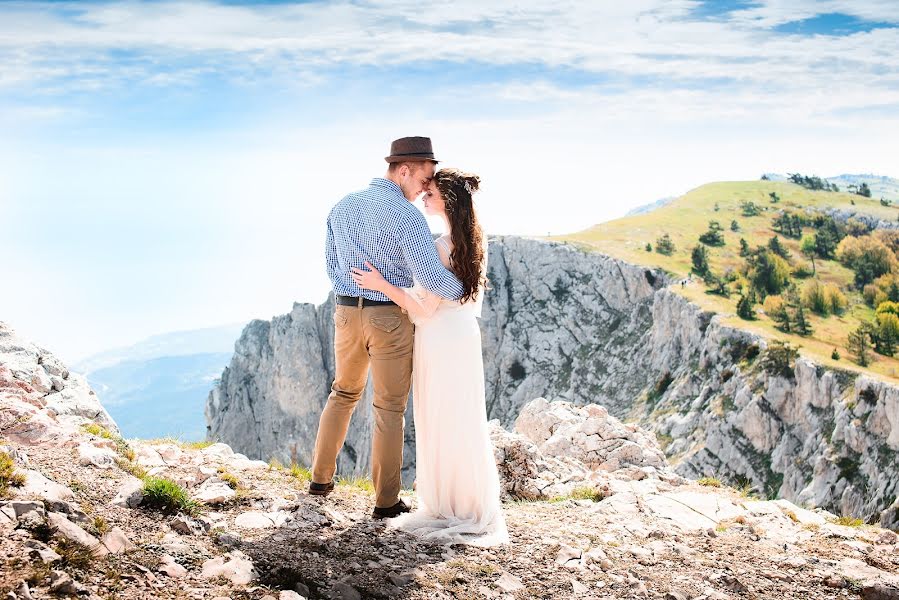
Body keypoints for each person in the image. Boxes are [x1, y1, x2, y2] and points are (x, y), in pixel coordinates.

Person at [309, 136, 464, 520]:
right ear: (405, 170)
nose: (424, 189)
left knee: (342, 393)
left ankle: (319, 481)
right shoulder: (406, 216)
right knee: (390, 408)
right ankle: (385, 501)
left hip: (345, 312)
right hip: (388, 317)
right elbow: (433, 280)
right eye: (424, 178)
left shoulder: (342, 206)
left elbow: (332, 265)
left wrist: (351, 289)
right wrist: (466, 287)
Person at [352, 168, 508, 546]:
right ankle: (468, 499)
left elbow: (423, 308)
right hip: (463, 338)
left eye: (431, 194)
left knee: (440, 417)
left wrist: (381, 284)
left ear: (448, 202)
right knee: (463, 417)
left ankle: (449, 504)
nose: (424, 198)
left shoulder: (440, 246)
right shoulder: (476, 240)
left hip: (438, 340)